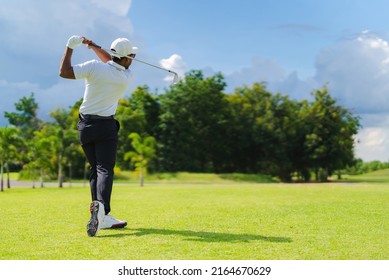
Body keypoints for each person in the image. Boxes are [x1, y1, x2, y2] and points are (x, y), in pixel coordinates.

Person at [59, 35, 137, 237]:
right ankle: (101, 208)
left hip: (85, 126)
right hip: (106, 126)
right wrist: (94, 46)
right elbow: (111, 62)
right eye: (132, 55)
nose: (134, 58)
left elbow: (64, 72)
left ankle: (102, 214)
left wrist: (70, 47)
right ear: (126, 58)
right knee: (104, 169)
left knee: (95, 169)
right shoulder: (127, 77)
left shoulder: (94, 67)